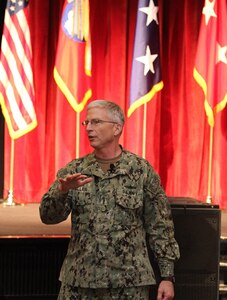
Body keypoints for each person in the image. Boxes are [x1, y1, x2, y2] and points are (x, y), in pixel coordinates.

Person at [39, 100, 180, 300]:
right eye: (86, 123)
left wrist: (167, 276)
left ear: (117, 128)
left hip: (129, 284)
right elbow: (48, 217)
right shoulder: (73, 171)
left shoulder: (140, 170)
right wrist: (61, 191)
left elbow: (160, 225)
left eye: (96, 122)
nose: (88, 128)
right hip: (80, 283)